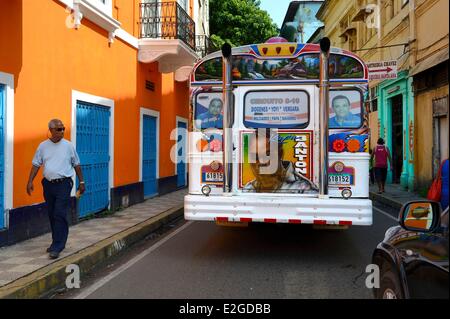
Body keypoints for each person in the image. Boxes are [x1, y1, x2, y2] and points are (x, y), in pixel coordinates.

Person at [27, 119, 86, 259]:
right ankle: (56, 241)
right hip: (48, 184)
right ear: (51, 130)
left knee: (59, 213)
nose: (62, 131)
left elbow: (77, 164)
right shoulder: (42, 146)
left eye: (63, 128)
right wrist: (29, 181)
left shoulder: (68, 146)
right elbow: (36, 164)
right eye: (59, 129)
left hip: (64, 184)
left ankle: (58, 245)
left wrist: (82, 182)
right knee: (52, 213)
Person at [243, 133, 317, 193]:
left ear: (280, 154)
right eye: (255, 157)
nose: (261, 162)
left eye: (268, 154)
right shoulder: (248, 189)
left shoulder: (304, 189)